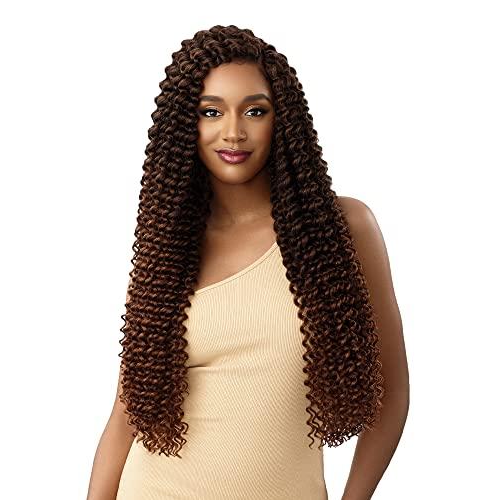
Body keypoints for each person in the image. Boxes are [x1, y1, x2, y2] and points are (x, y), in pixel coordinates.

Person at [86, 24, 409, 500]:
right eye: (211, 111)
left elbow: (391, 393)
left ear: (282, 120)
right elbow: (126, 414)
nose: (233, 131)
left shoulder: (342, 230)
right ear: (186, 125)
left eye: (255, 111)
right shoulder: (169, 250)